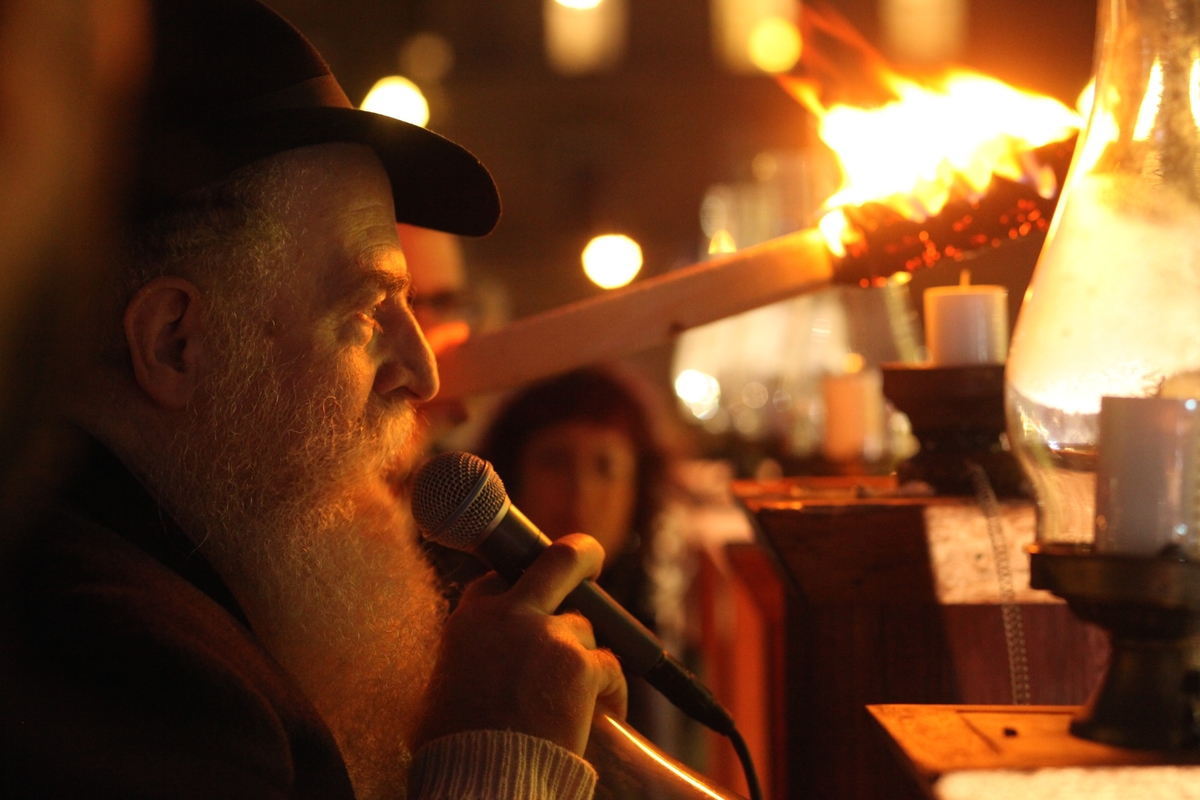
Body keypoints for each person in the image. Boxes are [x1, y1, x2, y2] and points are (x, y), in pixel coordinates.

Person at [4, 2, 625, 798]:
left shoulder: (183, 585)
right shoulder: (119, 666)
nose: (423, 371)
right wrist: (498, 759)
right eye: (369, 310)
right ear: (174, 343)